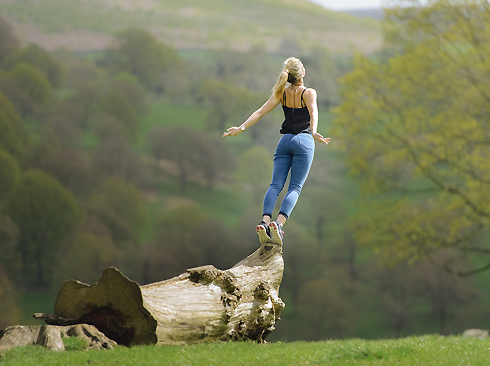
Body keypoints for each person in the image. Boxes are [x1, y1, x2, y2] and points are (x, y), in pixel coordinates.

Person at [223, 57, 330, 244]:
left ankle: (264, 222)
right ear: (302, 73)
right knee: (295, 187)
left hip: (284, 142)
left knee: (275, 185)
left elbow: (260, 112)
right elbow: (314, 114)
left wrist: (240, 128)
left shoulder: (282, 93)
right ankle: (278, 224)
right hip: (303, 142)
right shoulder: (309, 93)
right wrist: (313, 133)